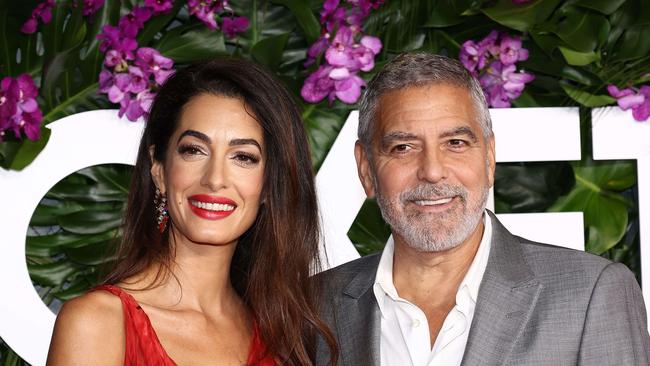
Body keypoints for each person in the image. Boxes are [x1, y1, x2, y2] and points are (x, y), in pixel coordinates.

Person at [314, 52, 650, 365]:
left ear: (489, 157)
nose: (432, 171)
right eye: (403, 147)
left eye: (455, 143)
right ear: (366, 169)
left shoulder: (591, 294)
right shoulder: (313, 306)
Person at [46, 58, 337, 366]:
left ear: (268, 186)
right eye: (193, 150)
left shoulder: (283, 337)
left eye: (243, 157)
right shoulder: (97, 323)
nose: (214, 178)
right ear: (159, 169)